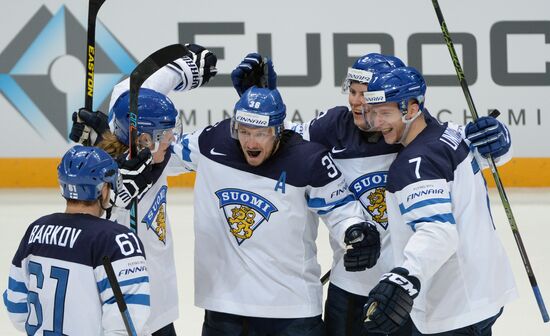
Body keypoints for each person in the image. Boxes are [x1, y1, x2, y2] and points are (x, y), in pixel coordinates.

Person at [231, 53, 513, 336]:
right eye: (352, 91)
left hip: (407, 290)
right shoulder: (333, 127)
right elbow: (279, 140)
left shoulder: (417, 135)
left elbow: (476, 152)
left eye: (365, 94)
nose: (356, 101)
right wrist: (260, 99)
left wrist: (499, 140)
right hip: (352, 285)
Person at [171, 86, 379, 336]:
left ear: (279, 131)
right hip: (225, 307)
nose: (250, 142)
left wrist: (356, 230)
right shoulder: (211, 143)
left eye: (260, 133)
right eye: (244, 131)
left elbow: (340, 208)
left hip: (292, 309)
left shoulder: (307, 159)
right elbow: (161, 153)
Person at [68, 43, 218, 336]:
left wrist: (188, 65)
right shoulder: (98, 174)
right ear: (144, 139)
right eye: (164, 134)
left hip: (158, 303)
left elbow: (142, 83)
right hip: (115, 308)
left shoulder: (153, 139)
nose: (172, 138)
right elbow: (85, 225)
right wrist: (119, 190)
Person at [361, 66, 518, 335]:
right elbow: (490, 155)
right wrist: (503, 142)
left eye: (385, 113)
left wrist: (404, 277)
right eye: (373, 113)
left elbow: (437, 233)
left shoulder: (413, 164)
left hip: (452, 307)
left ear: (411, 109)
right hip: (484, 294)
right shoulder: (452, 134)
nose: (376, 123)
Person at [3, 145, 150, 335]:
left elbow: (17, 309)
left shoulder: (35, 231)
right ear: (104, 189)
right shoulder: (117, 241)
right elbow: (128, 325)